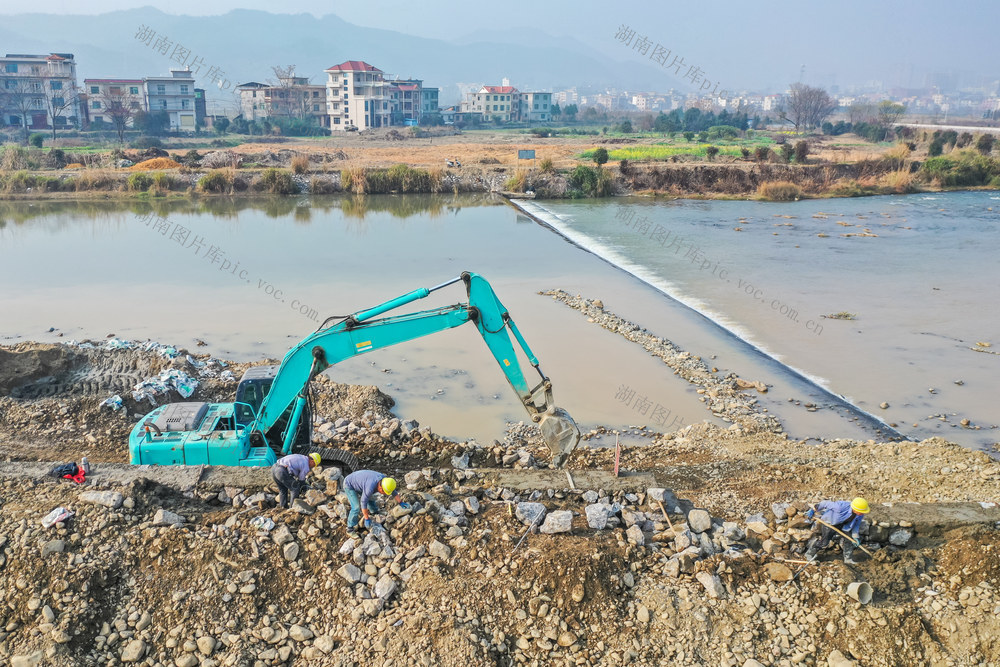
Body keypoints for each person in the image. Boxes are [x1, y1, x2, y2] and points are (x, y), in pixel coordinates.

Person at [343, 469, 409, 537]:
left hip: (361, 482)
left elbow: (393, 492)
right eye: (384, 492)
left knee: (370, 497)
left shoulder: (385, 481)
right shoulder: (370, 487)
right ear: (380, 487)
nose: (385, 494)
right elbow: (363, 502)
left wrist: (401, 502)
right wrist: (366, 518)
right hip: (349, 484)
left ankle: (374, 512)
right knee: (356, 507)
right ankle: (350, 528)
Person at [805, 497, 870, 564]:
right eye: (861, 512)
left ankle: (848, 559)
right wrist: (814, 509)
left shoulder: (860, 515)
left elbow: (856, 525)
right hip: (830, 523)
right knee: (824, 542)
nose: (863, 513)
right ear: (855, 509)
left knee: (849, 540)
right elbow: (825, 503)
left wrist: (855, 537)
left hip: (844, 526)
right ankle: (809, 554)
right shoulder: (840, 506)